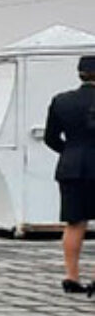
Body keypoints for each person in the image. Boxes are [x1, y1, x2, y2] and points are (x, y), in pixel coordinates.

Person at [44, 54, 95, 295]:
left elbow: (50, 137)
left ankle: (72, 277)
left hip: (71, 167)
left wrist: (70, 152)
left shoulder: (61, 101)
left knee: (74, 222)